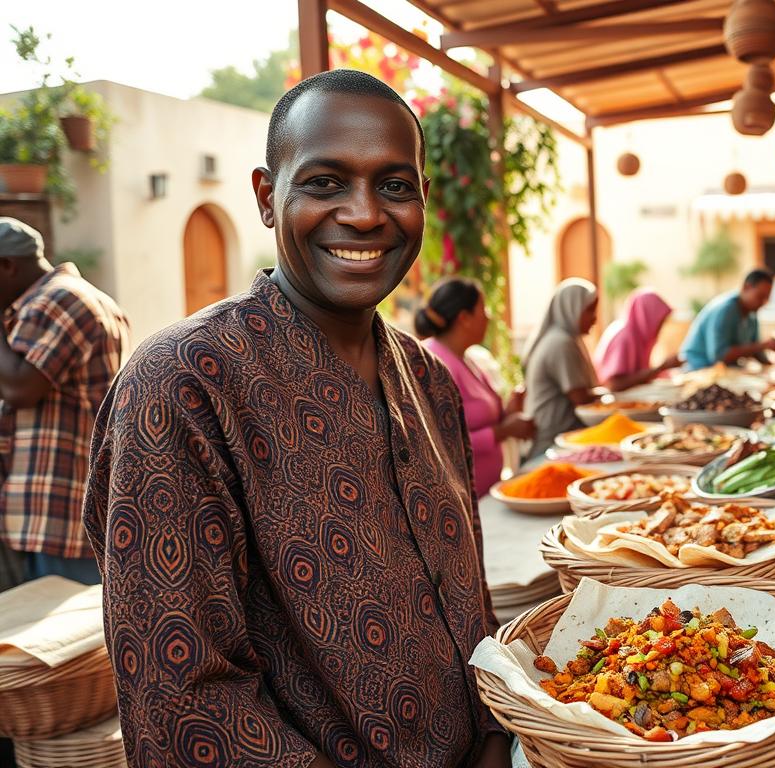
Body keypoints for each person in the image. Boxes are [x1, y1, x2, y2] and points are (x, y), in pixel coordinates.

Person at [83, 70, 509, 767]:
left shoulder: (428, 379)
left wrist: (494, 733)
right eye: (325, 182)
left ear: (423, 200)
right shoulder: (185, 383)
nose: (365, 214)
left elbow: (468, 596)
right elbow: (185, 701)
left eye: (395, 186)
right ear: (266, 197)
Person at [0, 217, 127, 587]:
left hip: (58, 513)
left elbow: (20, 388)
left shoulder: (62, 299)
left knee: (56, 619)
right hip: (43, 513)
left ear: (7, 266)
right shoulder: (47, 301)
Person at [416, 278, 535, 497]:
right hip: (457, 497)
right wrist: (504, 431)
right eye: (483, 309)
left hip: (485, 493)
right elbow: (439, 442)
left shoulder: (468, 358)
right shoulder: (431, 363)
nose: (489, 317)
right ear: (464, 318)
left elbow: (483, 419)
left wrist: (510, 412)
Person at [522, 278, 600, 459]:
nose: (595, 318)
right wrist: (613, 396)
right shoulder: (560, 343)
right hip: (551, 445)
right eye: (589, 310)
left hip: (562, 439)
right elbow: (581, 399)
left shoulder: (566, 338)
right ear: (571, 308)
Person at [680, 269, 775, 371]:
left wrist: (774, 363)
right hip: (700, 368)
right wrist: (764, 345)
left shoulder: (751, 313)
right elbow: (720, 356)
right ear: (746, 287)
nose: (763, 302)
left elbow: (755, 349)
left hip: (725, 370)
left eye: (766, 298)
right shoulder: (725, 309)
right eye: (760, 296)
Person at [594, 288, 680, 391]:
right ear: (647, 316)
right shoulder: (624, 336)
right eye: (659, 321)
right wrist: (661, 367)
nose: (660, 327)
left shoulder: (637, 336)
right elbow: (614, 385)